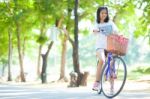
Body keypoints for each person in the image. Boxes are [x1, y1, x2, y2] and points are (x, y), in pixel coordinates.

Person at [92, 6, 118, 91]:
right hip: (100, 47)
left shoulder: (110, 23)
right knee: (102, 60)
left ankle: (112, 87)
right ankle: (97, 82)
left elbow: (116, 31)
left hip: (109, 46)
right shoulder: (97, 23)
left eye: (105, 13)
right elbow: (94, 31)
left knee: (112, 63)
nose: (104, 15)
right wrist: (97, 31)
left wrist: (115, 34)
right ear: (99, 13)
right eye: (102, 13)